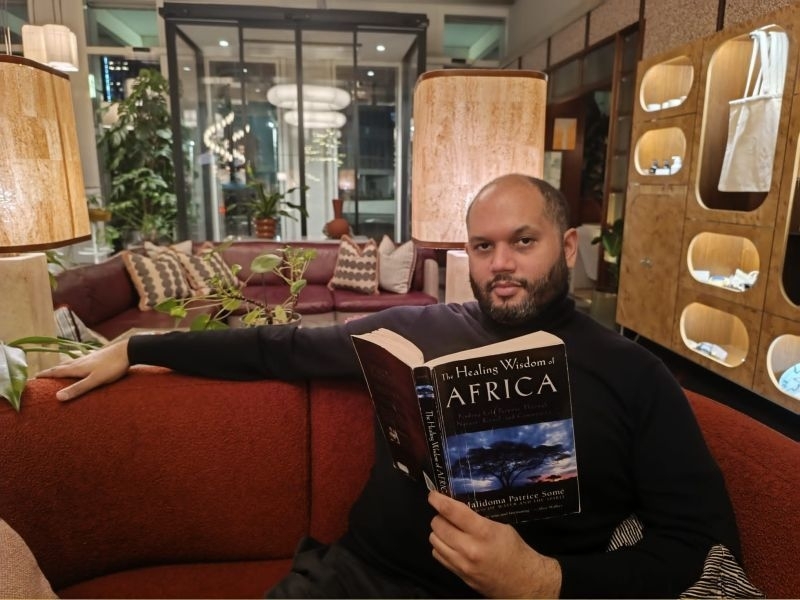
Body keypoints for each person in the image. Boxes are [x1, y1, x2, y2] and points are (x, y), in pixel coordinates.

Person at [40, 174, 749, 599]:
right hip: (362, 578)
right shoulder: (417, 327)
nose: (500, 263)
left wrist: (547, 583)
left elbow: (701, 541)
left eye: (523, 242)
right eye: (482, 246)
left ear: (566, 248)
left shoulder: (633, 372)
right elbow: (279, 347)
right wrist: (140, 346)